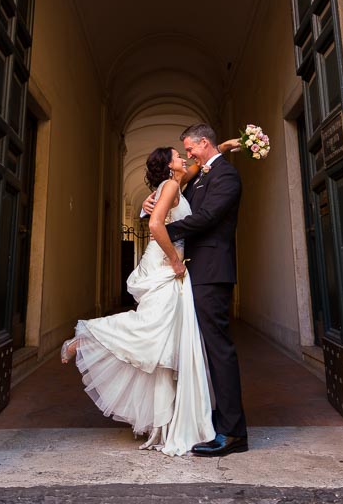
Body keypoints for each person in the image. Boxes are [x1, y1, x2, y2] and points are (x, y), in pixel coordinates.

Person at [60, 146, 215, 456]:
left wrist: (226, 146)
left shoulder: (174, 185)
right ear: (170, 166)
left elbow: (198, 167)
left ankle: (164, 422)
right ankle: (89, 337)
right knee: (151, 328)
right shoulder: (171, 185)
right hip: (165, 263)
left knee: (163, 340)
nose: (184, 158)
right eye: (178, 155)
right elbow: (156, 225)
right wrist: (175, 261)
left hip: (166, 263)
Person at [164, 123, 248, 457]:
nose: (188, 156)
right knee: (205, 349)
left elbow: (209, 217)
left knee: (219, 350)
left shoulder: (226, 177)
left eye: (190, 149)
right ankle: (219, 417)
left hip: (213, 272)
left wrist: (164, 230)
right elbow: (188, 186)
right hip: (199, 270)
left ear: (203, 142)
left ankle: (233, 432)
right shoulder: (204, 175)